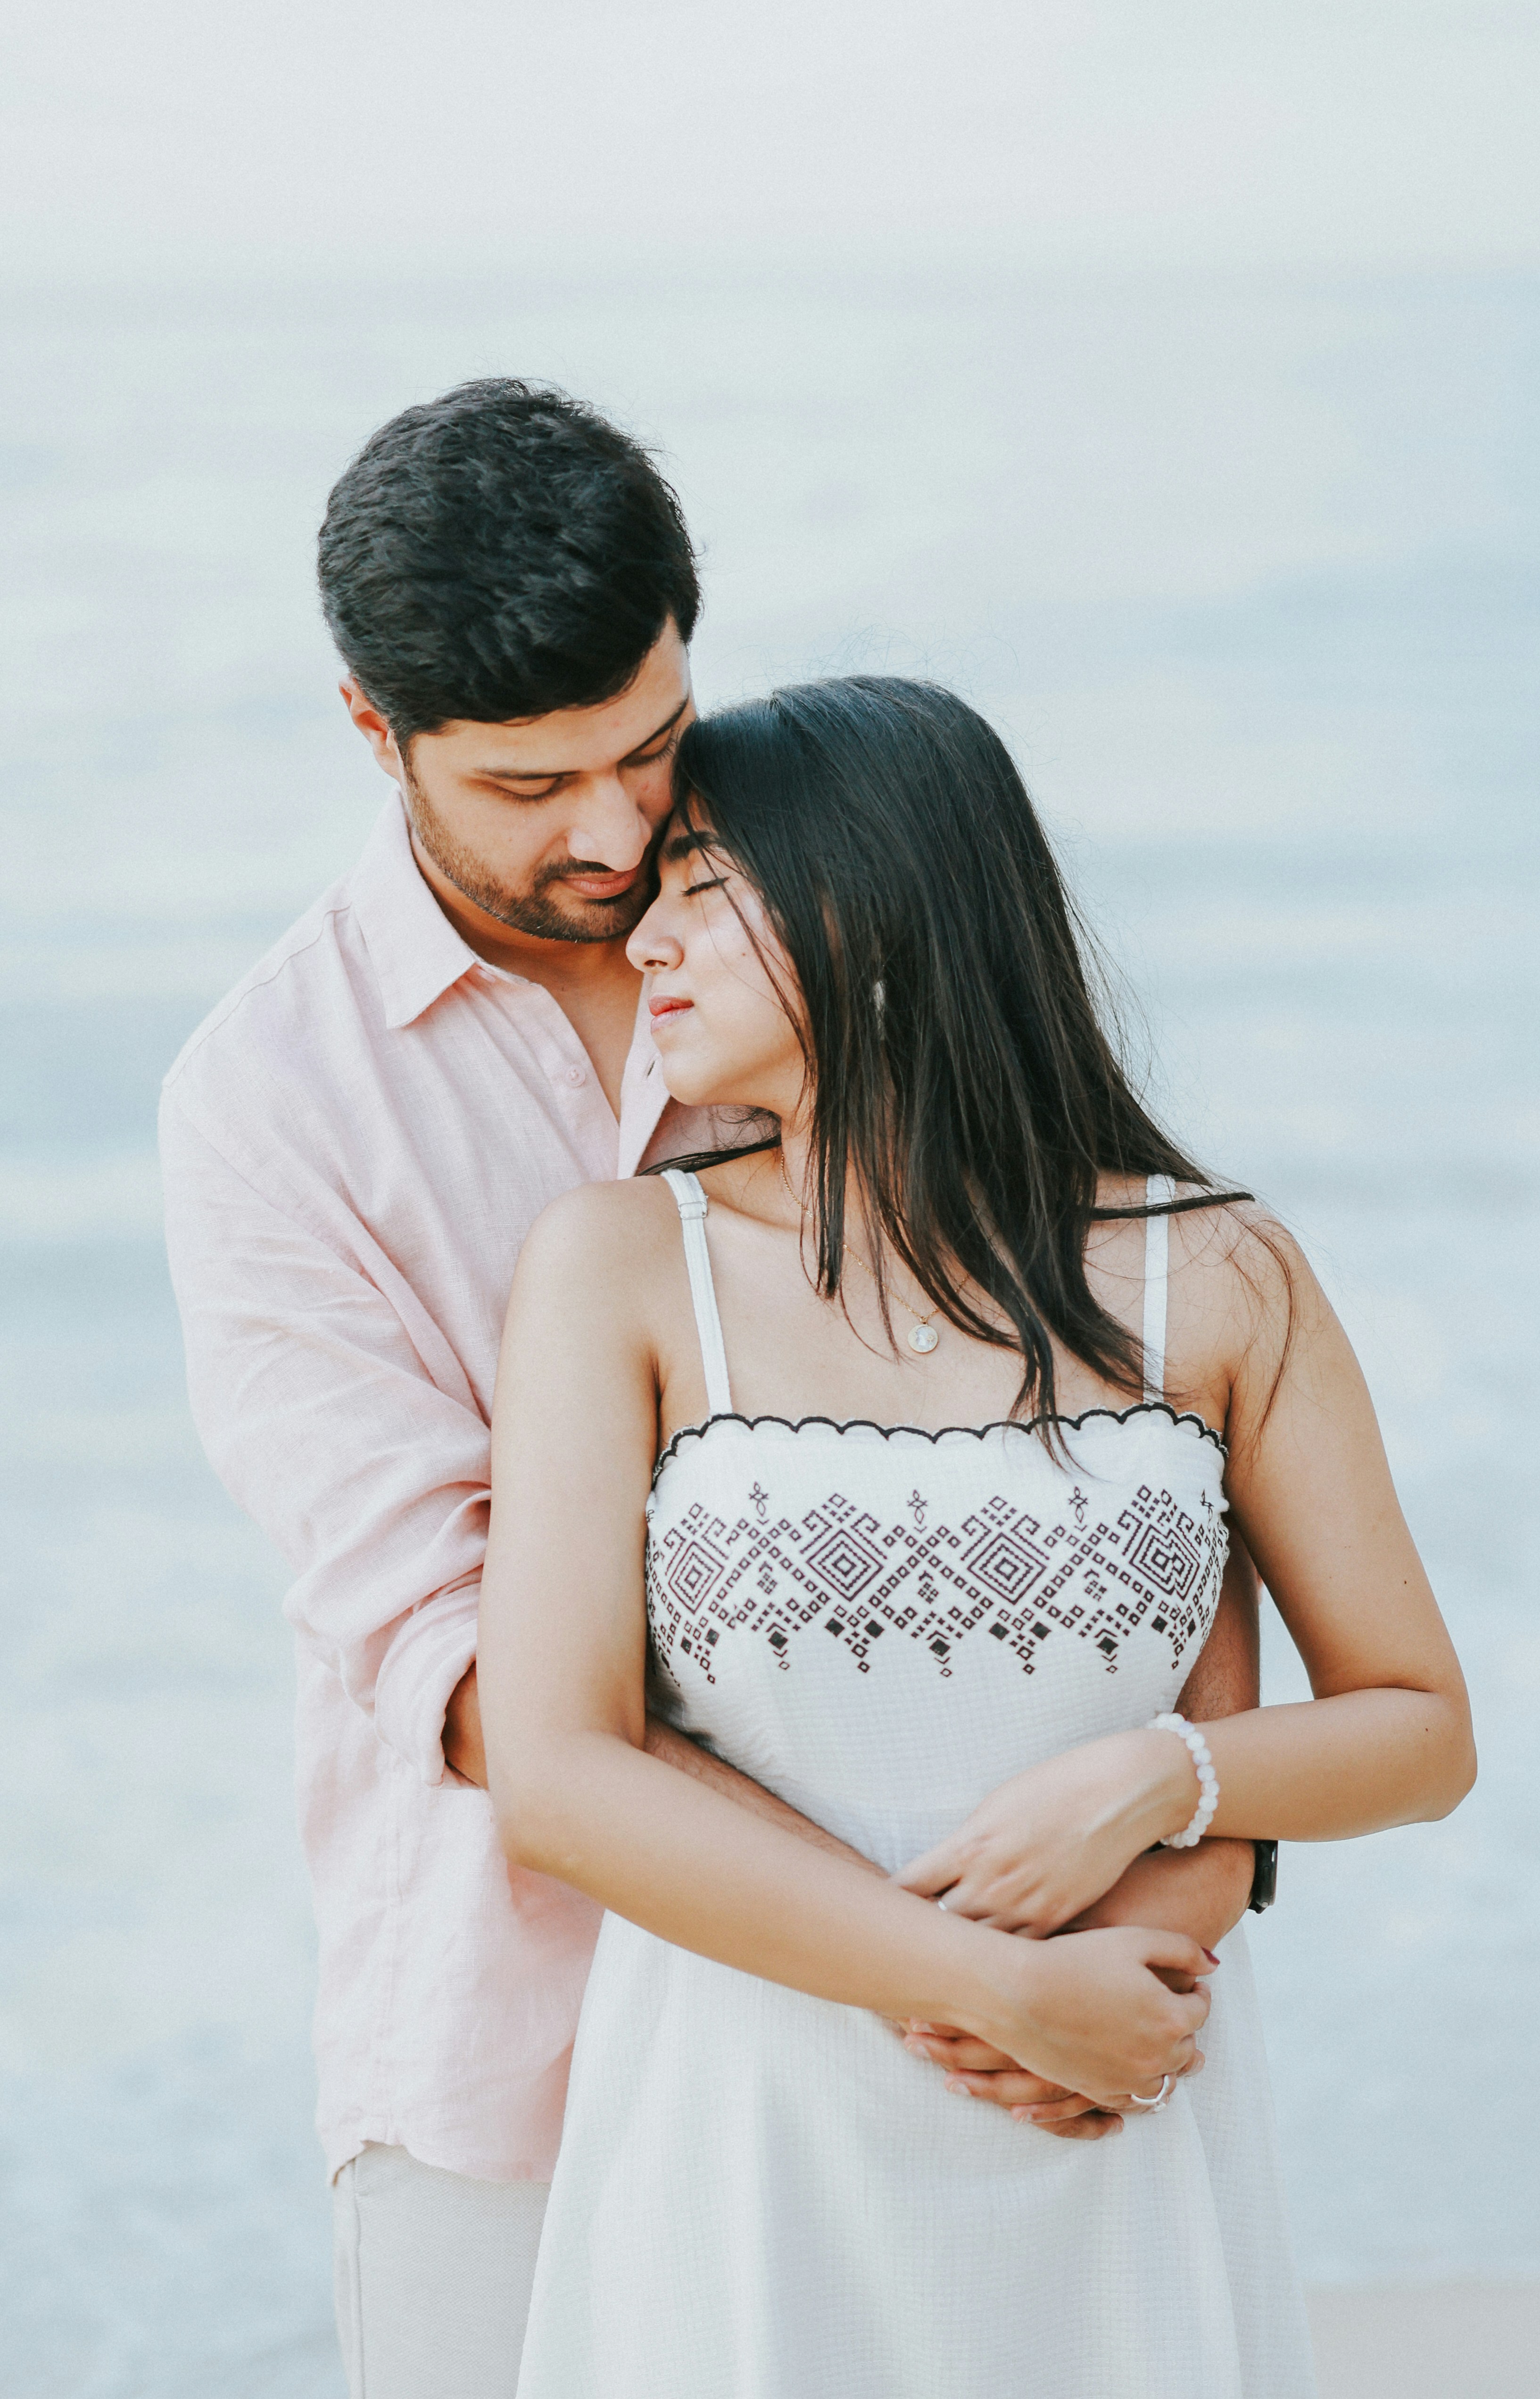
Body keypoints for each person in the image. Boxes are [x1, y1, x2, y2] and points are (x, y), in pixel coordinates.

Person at [160, 383, 1263, 2399]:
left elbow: (1118, 1496)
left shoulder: (846, 974)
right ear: (369, 730)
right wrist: (950, 1963)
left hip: (995, 2056)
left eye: (648, 750)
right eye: (524, 785)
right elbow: (469, 1679)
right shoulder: (269, 1107)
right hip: (528, 2057)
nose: (606, 834)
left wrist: (1152, 1893)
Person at [478, 676, 1477, 2398]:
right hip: (749, 2134)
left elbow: (1418, 1728)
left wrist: (1168, 1782)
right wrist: (983, 1987)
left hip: (1108, 2117)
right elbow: (558, 1773)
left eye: (705, 883)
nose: (649, 940)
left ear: (876, 902)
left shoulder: (1219, 1277)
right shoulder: (620, 1267)